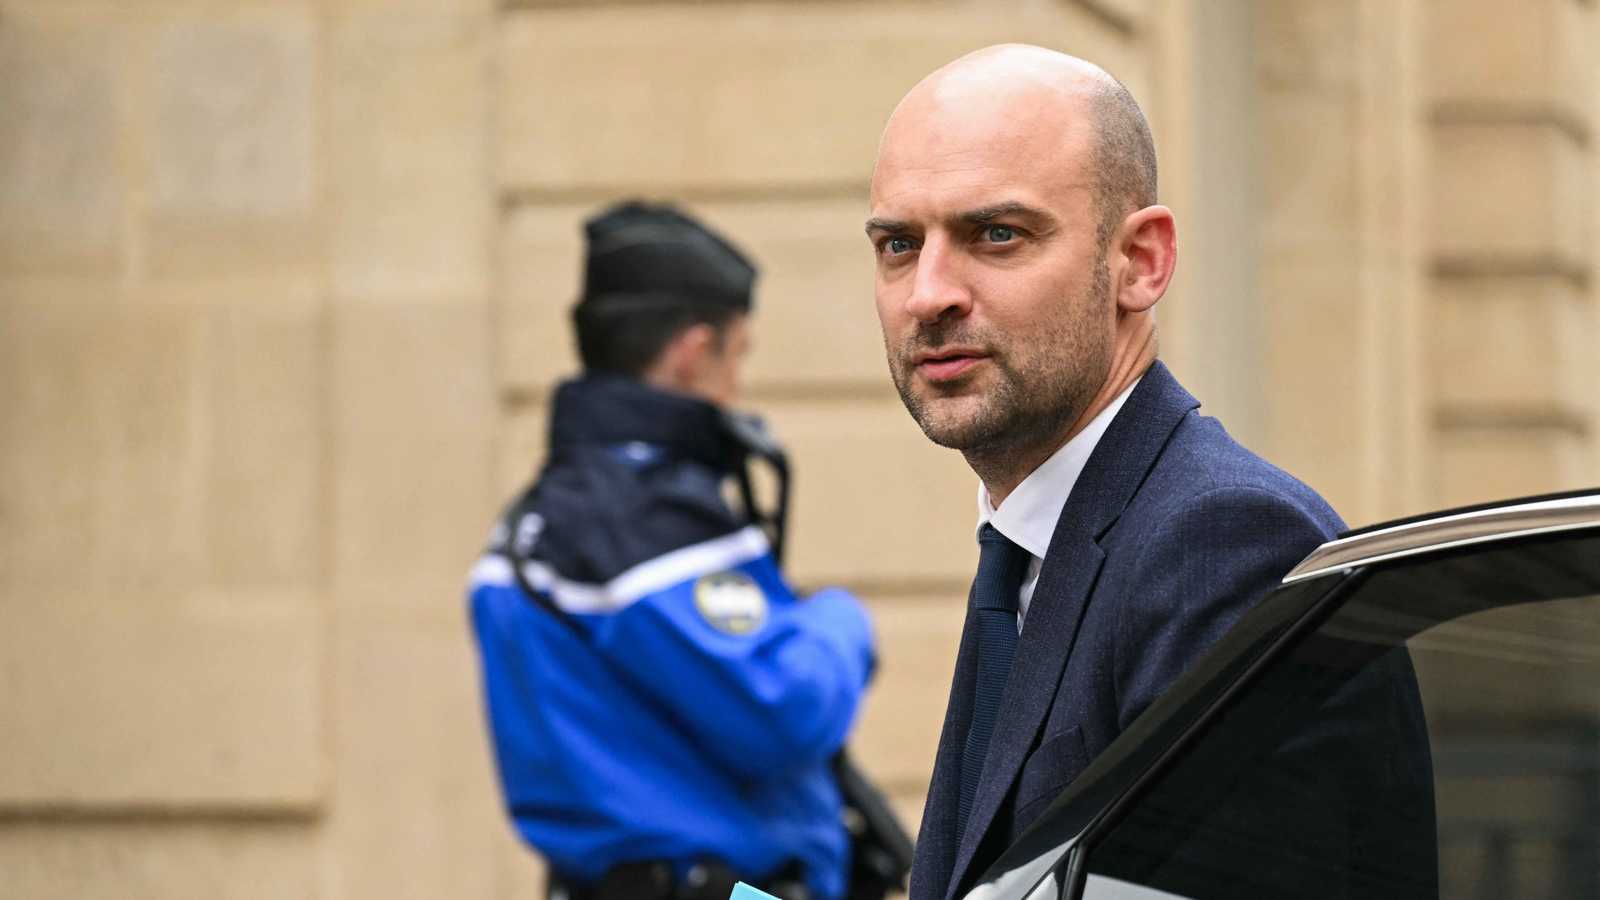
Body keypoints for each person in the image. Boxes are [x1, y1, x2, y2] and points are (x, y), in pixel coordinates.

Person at [864, 45, 1432, 899]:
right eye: (900, 244)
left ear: (1141, 261)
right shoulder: (1036, 542)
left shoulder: (1224, 544)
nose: (928, 293)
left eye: (997, 234)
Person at [468, 201, 879, 900]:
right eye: (737, 354)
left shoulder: (533, 521)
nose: (736, 385)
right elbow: (782, 708)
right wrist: (841, 623)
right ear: (693, 354)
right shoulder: (643, 522)